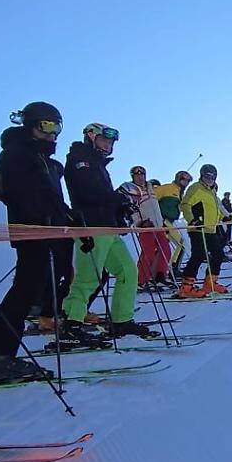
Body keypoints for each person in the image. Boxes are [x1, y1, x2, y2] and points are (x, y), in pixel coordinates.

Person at [0, 102, 72, 382]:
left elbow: (51, 197)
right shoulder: (17, 154)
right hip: (33, 231)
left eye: (56, 127)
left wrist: (66, 217)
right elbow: (21, 195)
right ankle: (0, 357)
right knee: (25, 293)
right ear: (29, 125)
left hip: (46, 231)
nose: (52, 133)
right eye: (46, 126)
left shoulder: (41, 157)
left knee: (25, 291)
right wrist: (44, 218)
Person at [60, 123, 150, 338]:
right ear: (91, 137)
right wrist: (119, 199)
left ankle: (122, 320)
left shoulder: (98, 164)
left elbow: (103, 198)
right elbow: (90, 193)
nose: (109, 144)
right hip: (91, 226)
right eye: (104, 140)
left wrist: (119, 213)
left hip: (107, 227)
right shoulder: (80, 159)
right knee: (89, 277)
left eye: (111, 141)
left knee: (128, 271)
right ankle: (71, 324)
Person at [176, 164, 230, 298]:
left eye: (212, 176)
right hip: (197, 228)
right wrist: (192, 220)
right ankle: (186, 287)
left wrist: (224, 217)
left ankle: (210, 283)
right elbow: (185, 205)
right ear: (202, 175)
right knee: (198, 255)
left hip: (210, 229)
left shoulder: (212, 191)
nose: (209, 178)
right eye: (207, 175)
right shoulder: (196, 188)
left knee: (218, 255)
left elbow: (214, 209)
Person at [118, 165, 171, 289]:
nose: (140, 177)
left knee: (165, 250)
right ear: (133, 177)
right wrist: (139, 222)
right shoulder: (132, 190)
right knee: (148, 252)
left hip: (158, 225)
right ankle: (140, 281)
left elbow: (155, 206)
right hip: (145, 225)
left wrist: (161, 221)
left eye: (142, 174)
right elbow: (132, 209)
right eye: (137, 175)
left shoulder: (150, 187)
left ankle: (159, 276)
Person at [155, 170, 191, 278]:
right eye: (183, 179)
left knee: (180, 244)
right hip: (162, 220)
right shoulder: (167, 188)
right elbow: (152, 198)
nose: (185, 182)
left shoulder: (181, 193)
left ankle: (171, 269)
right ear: (178, 178)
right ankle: (161, 272)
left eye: (188, 180)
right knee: (166, 246)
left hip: (170, 221)